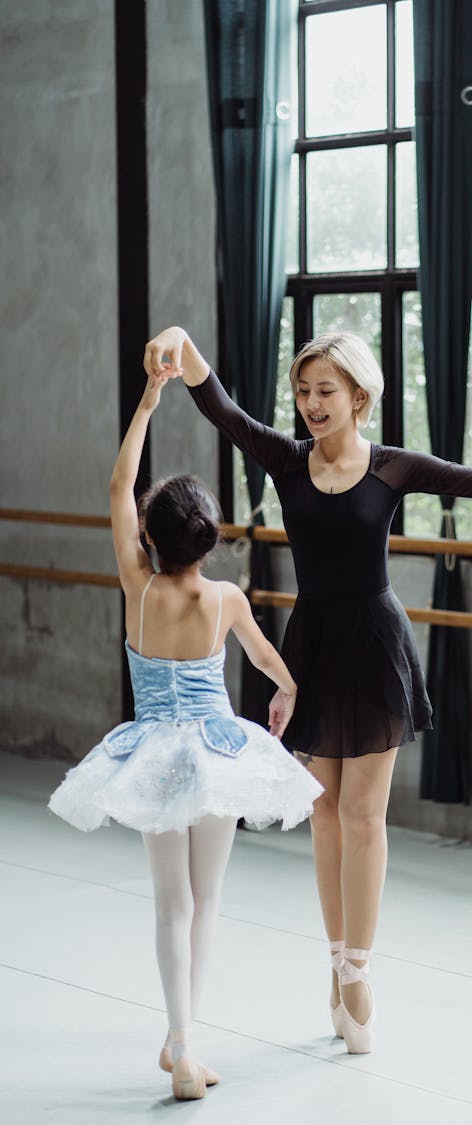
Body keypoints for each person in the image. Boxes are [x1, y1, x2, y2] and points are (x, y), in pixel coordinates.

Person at [143, 326, 472, 1055]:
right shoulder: (287, 460)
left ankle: (357, 969)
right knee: (321, 818)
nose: (312, 404)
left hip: (376, 647)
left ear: (360, 396)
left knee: (362, 813)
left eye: (326, 391)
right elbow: (219, 406)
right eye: (303, 391)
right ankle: (335, 957)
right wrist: (183, 348)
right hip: (313, 646)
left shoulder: (392, 468)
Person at [48, 372, 323, 1100]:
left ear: (149, 534)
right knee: (209, 900)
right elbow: (266, 659)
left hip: (155, 756)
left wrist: (147, 400)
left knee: (171, 903)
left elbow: (116, 486)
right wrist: (288, 691)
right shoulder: (225, 596)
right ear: (210, 538)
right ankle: (184, 1043)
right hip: (217, 757)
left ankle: (181, 1039)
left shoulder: (138, 589)